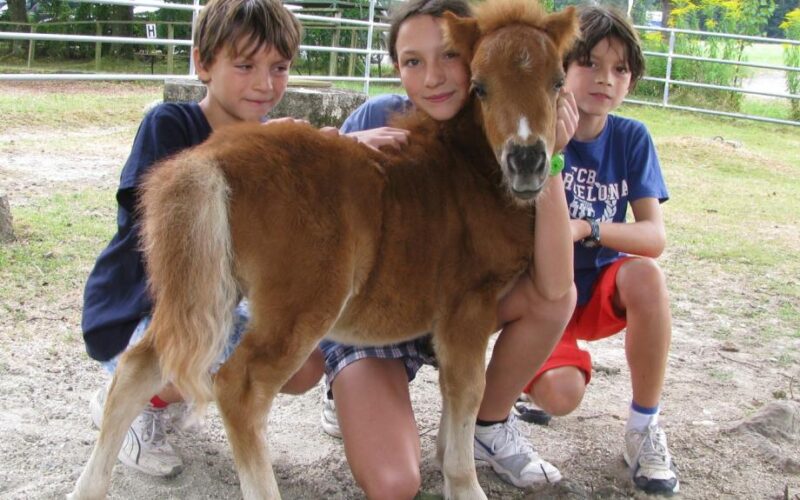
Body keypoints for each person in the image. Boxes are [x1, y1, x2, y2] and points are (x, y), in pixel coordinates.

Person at [318, 0, 577, 496]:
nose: (434, 78)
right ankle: (342, 387)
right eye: (413, 61)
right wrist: (340, 144)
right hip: (376, 318)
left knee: (554, 298)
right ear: (396, 67)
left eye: (447, 57)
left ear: (472, 55)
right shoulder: (377, 116)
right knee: (394, 484)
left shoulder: (504, 121)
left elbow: (556, 283)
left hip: (456, 303)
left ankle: (487, 425)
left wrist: (555, 160)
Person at [80, 0, 326, 478]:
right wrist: (260, 151)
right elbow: (165, 223)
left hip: (218, 303)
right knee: (192, 351)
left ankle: (161, 395)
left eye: (279, 67)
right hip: (143, 305)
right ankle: (134, 403)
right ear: (202, 63)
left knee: (305, 364)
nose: (265, 83)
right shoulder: (169, 124)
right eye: (245, 65)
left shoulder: (273, 145)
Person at [514, 6, 679, 495]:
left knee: (647, 276)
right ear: (560, 66)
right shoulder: (530, 129)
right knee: (559, 395)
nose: (605, 79)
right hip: (544, 294)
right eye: (589, 62)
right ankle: (523, 383)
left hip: (600, 287)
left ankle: (643, 427)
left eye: (620, 68)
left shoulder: (631, 138)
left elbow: (653, 237)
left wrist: (588, 226)